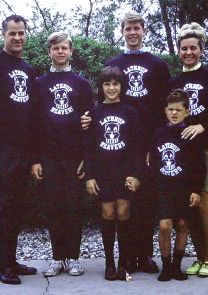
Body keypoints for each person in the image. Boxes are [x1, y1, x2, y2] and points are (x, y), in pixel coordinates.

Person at [81, 11, 171, 273]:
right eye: (127, 28)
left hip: (148, 144)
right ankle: (126, 257)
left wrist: (158, 143)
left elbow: (167, 105)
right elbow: (100, 105)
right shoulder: (114, 64)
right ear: (122, 31)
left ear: (144, 31)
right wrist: (87, 119)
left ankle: (144, 256)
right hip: (117, 148)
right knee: (121, 206)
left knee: (144, 203)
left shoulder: (158, 65)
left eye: (137, 28)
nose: (132, 32)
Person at [31, 32, 93, 278]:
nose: (60, 52)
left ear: (71, 51)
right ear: (49, 51)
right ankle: (57, 258)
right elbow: (33, 124)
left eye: (64, 48)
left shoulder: (82, 84)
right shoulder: (39, 84)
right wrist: (35, 158)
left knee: (74, 207)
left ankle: (74, 258)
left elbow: (91, 126)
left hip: (75, 158)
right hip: (48, 157)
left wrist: (87, 158)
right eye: (56, 48)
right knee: (54, 207)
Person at [83, 66, 145, 280]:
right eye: (107, 84)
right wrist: (89, 176)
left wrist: (137, 174)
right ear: (101, 87)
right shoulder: (94, 113)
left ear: (121, 86)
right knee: (108, 214)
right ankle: (109, 263)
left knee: (124, 213)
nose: (111, 88)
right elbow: (88, 148)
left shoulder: (130, 112)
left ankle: (124, 263)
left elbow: (138, 146)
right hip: (103, 172)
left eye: (115, 83)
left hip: (125, 171)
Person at [149, 89, 206, 281]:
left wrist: (196, 191)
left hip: (184, 190)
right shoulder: (158, 135)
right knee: (165, 227)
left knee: (182, 225)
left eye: (178, 110)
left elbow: (199, 167)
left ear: (187, 112)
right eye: (171, 109)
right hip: (164, 189)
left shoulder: (191, 135)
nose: (174, 113)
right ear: (165, 111)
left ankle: (176, 266)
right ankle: (166, 266)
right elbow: (154, 164)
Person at [0, 15, 38, 285]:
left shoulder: (28, 69)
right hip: (4, 149)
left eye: (21, 33)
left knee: (17, 208)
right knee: (4, 207)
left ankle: (10, 260)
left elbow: (34, 113)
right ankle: (4, 266)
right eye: (12, 33)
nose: (17, 38)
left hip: (24, 150)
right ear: (4, 34)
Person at [170, 22, 208, 276]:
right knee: (190, 207)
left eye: (193, 48)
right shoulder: (175, 80)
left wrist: (202, 127)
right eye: (184, 48)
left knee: (205, 205)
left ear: (201, 50)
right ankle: (201, 257)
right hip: (183, 152)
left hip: (204, 150)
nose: (188, 53)